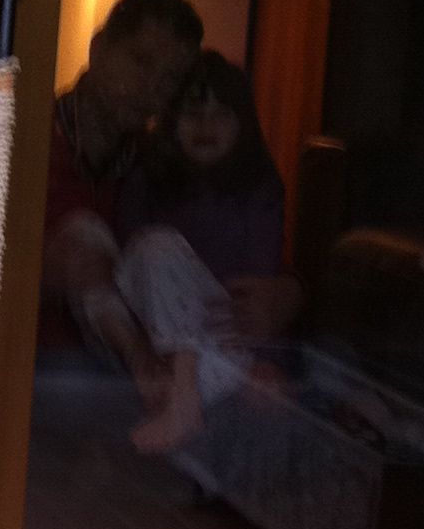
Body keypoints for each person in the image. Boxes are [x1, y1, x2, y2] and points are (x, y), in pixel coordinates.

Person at [109, 48, 301, 451]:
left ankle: (183, 402)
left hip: (223, 334)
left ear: (242, 125)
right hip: (161, 338)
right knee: (155, 248)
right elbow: (133, 271)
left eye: (221, 115)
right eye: (193, 114)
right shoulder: (146, 181)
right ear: (170, 121)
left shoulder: (257, 189)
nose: (206, 126)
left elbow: (256, 295)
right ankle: (183, 398)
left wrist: (268, 361)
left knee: (263, 389)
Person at [41, 0, 203, 429]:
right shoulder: (30, 140)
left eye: (169, 78)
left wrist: (287, 288)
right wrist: (42, 273)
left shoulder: (161, 164)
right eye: (141, 61)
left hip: (139, 368)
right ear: (98, 50)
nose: (150, 88)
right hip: (40, 363)